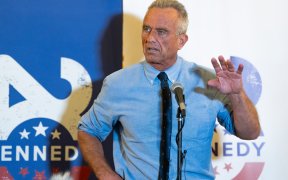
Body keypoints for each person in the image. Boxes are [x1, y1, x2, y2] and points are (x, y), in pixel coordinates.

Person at [77, 0, 260, 179]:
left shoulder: (209, 82)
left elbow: (250, 133)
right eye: (146, 29)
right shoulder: (117, 84)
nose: (150, 38)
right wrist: (104, 173)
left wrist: (237, 95)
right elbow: (88, 130)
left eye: (161, 32)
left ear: (181, 41)